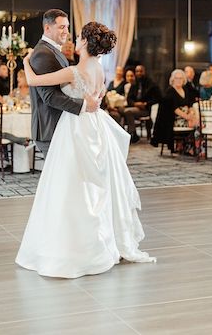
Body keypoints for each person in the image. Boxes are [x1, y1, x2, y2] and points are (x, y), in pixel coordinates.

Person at [15, 21, 156, 278]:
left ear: (85, 42)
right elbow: (99, 95)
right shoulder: (99, 69)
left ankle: (75, 244)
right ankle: (99, 238)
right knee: (94, 183)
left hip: (75, 128)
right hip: (95, 127)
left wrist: (25, 62)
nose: (74, 38)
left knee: (70, 184)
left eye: (78, 36)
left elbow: (34, 81)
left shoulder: (73, 72)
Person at [27, 8, 99, 159]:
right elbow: (49, 96)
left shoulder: (54, 52)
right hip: (50, 127)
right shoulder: (43, 53)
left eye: (67, 27)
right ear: (47, 28)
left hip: (63, 126)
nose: (66, 31)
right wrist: (84, 105)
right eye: (61, 27)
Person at [152, 69, 199, 156]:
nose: (179, 80)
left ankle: (187, 146)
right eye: (176, 78)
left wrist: (191, 113)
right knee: (197, 124)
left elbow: (190, 104)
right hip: (173, 119)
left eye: (181, 78)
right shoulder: (170, 91)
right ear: (172, 79)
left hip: (185, 117)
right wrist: (187, 117)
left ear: (184, 80)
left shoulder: (184, 90)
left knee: (198, 122)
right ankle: (190, 148)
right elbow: (175, 109)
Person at [123, 65, 161, 143]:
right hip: (136, 108)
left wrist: (146, 103)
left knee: (127, 111)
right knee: (126, 111)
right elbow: (129, 98)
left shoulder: (151, 83)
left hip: (146, 109)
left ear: (144, 72)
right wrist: (135, 104)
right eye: (137, 71)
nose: (139, 73)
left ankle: (133, 134)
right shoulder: (134, 84)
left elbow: (158, 98)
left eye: (141, 71)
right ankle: (133, 134)